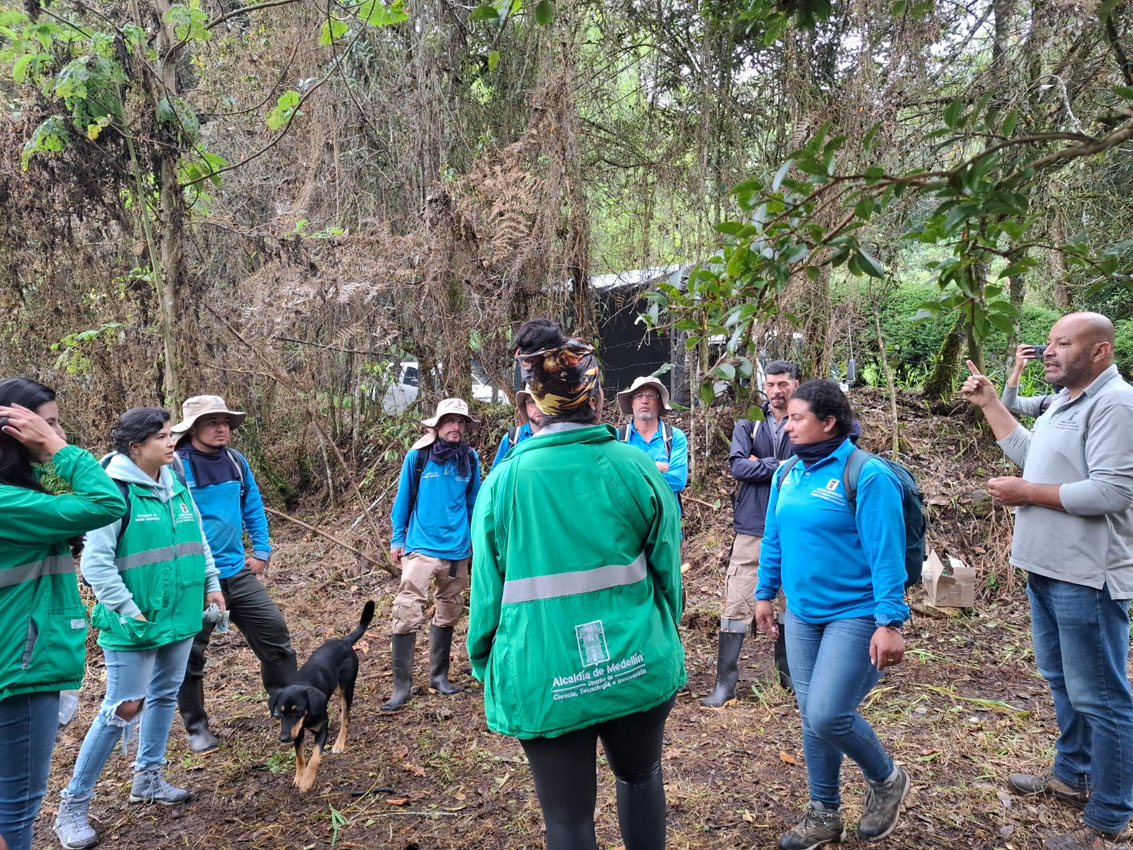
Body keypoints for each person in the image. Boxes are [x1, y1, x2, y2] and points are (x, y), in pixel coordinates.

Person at [468, 325, 685, 850]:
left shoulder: (504, 482)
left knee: (566, 820)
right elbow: (668, 572)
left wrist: (487, 666)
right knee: (640, 776)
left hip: (543, 672)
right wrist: (662, 632)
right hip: (636, 659)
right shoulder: (634, 465)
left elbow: (485, 598)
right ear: (600, 397)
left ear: (533, 405)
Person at [962, 312, 1133, 850]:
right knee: (1062, 681)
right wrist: (992, 404)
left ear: (1100, 351)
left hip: (1087, 576)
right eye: (1050, 342)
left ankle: (1109, 816)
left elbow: (1112, 492)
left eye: (1063, 343)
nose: (1049, 351)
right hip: (1046, 567)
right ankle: (1072, 775)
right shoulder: (1066, 399)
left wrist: (1026, 493)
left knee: (1101, 697)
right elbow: (1028, 456)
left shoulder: (1116, 405)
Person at [53, 408, 225, 850]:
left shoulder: (175, 480)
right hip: (136, 622)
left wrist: (212, 585)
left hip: (180, 614)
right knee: (122, 707)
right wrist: (129, 610)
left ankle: (148, 778)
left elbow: (198, 540)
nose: (172, 443)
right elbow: (95, 563)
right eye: (162, 437)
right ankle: (72, 805)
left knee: (165, 695)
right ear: (135, 447)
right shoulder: (113, 490)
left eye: (170, 435)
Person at [754, 380, 911, 849]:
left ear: (828, 422)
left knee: (827, 714)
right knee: (811, 715)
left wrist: (890, 622)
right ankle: (824, 812)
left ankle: (886, 779)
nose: (787, 425)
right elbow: (774, 537)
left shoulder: (866, 475)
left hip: (856, 614)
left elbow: (887, 553)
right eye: (786, 418)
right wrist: (764, 594)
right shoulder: (787, 473)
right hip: (802, 615)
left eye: (796, 418)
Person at [0, 379, 126, 850]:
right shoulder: (7, 503)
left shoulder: (17, 498)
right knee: (16, 808)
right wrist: (57, 450)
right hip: (20, 670)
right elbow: (107, 502)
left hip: (17, 659)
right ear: (16, 430)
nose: (60, 434)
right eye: (48, 424)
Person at [170, 395, 297, 754]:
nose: (221, 428)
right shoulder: (175, 466)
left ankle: (285, 706)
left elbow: (251, 504)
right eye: (211, 422)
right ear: (193, 428)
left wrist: (262, 551)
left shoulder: (235, 461)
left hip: (237, 573)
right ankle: (196, 726)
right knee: (190, 655)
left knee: (275, 635)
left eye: (225, 421)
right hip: (194, 578)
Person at [702, 361, 799, 709]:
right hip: (752, 523)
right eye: (770, 384)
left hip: (795, 524)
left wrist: (763, 464)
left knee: (791, 598)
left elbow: (811, 460)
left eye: (782, 384)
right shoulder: (750, 423)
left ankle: (789, 677)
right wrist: (780, 466)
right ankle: (725, 683)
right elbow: (738, 466)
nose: (776, 390)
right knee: (737, 598)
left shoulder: (805, 421)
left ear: (795, 385)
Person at [382, 397, 481, 711]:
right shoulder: (419, 456)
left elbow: (474, 503)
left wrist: (475, 539)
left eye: (461, 422)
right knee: (406, 611)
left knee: (449, 609)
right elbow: (403, 501)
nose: (456, 427)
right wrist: (397, 540)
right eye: (450, 421)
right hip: (422, 547)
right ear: (437, 425)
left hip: (458, 550)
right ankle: (401, 688)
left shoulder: (470, 458)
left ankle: (438, 677)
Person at [614, 376, 688, 508]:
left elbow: (678, 481)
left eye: (650, 395)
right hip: (632, 516)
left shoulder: (674, 437)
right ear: (631, 402)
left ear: (659, 402)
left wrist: (632, 475)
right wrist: (655, 467)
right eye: (638, 395)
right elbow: (613, 482)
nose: (644, 401)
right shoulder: (618, 437)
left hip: (667, 516)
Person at [488, 385, 544, 475]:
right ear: (525, 406)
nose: (538, 407)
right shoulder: (513, 438)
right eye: (532, 402)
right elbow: (495, 477)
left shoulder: (560, 438)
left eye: (542, 400)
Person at [1002, 343, 1058, 417]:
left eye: (1063, 344)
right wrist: (1018, 368)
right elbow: (1009, 403)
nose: (1046, 353)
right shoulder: (1046, 404)